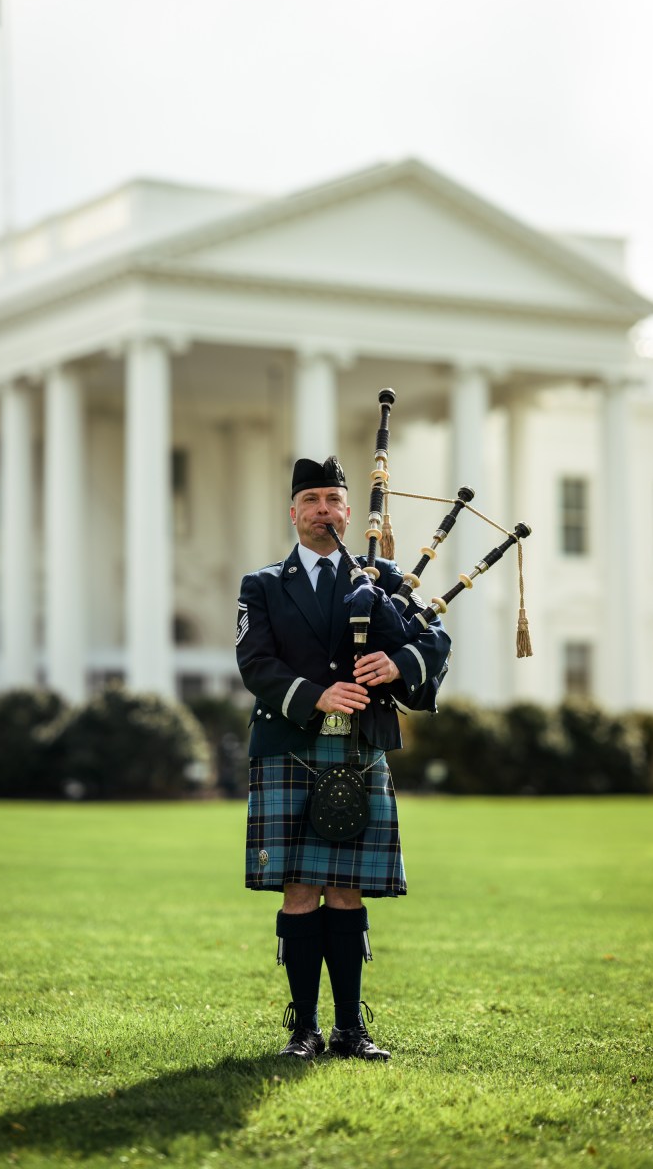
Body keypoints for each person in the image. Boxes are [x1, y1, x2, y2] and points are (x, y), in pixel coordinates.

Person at [235, 454, 451, 1061]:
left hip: (359, 748)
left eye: (332, 500)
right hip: (290, 744)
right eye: (311, 501)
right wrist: (316, 694)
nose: (322, 511)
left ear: (350, 513)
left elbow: (435, 639)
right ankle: (303, 1029)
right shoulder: (264, 585)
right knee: (301, 888)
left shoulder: (382, 579)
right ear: (294, 511)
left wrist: (398, 663)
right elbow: (255, 663)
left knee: (348, 889)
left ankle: (350, 1029)